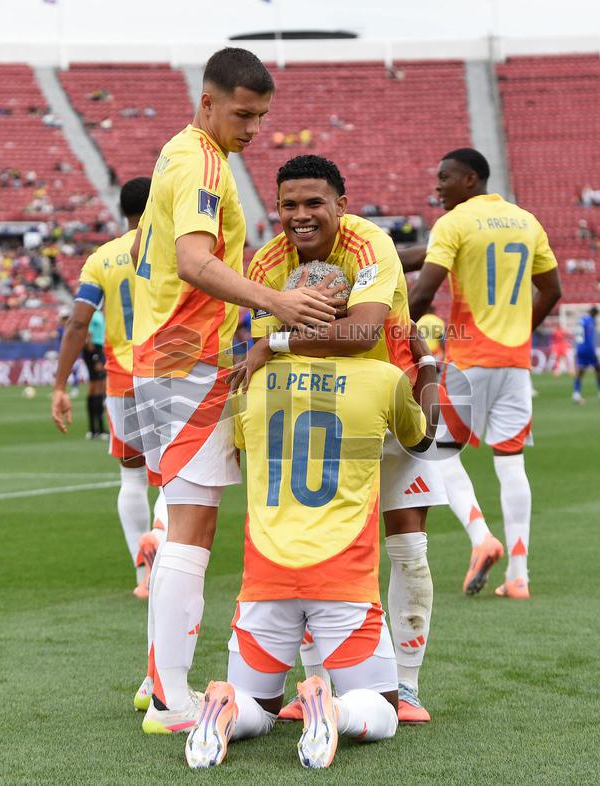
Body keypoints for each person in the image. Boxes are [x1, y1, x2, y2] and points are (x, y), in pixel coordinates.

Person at [129, 48, 341, 734]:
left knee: (183, 519)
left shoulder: (188, 155)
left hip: (176, 358)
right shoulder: (199, 161)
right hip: (183, 361)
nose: (255, 127)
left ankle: (157, 676)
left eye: (263, 116)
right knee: (191, 525)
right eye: (244, 114)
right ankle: (168, 701)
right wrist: (276, 303)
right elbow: (194, 261)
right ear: (208, 101)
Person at [183, 265, 436, 769]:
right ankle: (333, 709)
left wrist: (272, 347)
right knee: (384, 710)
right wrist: (426, 360)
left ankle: (224, 707)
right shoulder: (382, 379)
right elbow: (422, 438)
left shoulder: (250, 380)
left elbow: (237, 445)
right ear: (345, 313)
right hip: (342, 577)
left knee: (260, 706)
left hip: (265, 577)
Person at [240, 155, 446, 722]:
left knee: (407, 545)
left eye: (314, 203)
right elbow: (260, 359)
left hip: (390, 393)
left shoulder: (369, 245)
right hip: (318, 409)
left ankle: (404, 685)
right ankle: (317, 686)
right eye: (288, 205)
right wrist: (270, 350)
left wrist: (278, 343)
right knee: (309, 541)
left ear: (341, 205)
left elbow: (359, 334)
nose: (300, 216)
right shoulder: (266, 263)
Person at [408, 148, 563, 600]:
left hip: (470, 359)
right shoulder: (526, 221)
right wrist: (518, 333)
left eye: (445, 177)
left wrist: (389, 333)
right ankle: (519, 575)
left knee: (437, 454)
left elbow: (423, 294)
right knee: (511, 462)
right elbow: (552, 290)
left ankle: (480, 537)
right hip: (515, 365)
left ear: (471, 179)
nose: (437, 186)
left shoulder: (454, 223)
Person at [51, 178, 167, 604]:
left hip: (121, 380)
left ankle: (143, 572)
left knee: (131, 476)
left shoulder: (102, 258)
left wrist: (60, 384)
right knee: (174, 478)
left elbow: (78, 323)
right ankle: (164, 551)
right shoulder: (172, 246)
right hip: (171, 372)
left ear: (122, 212)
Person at [572, 306, 600, 405]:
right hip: (588, 349)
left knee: (580, 371)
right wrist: (593, 352)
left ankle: (576, 395)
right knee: (599, 369)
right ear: (595, 314)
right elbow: (589, 339)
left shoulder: (582, 320)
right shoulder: (591, 322)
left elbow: (579, 336)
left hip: (579, 348)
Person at [82, 307, 107, 439]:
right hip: (94, 350)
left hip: (96, 349)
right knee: (97, 388)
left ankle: (94, 429)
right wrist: (96, 356)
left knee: (96, 389)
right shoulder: (92, 312)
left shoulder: (96, 312)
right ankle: (98, 429)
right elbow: (88, 332)